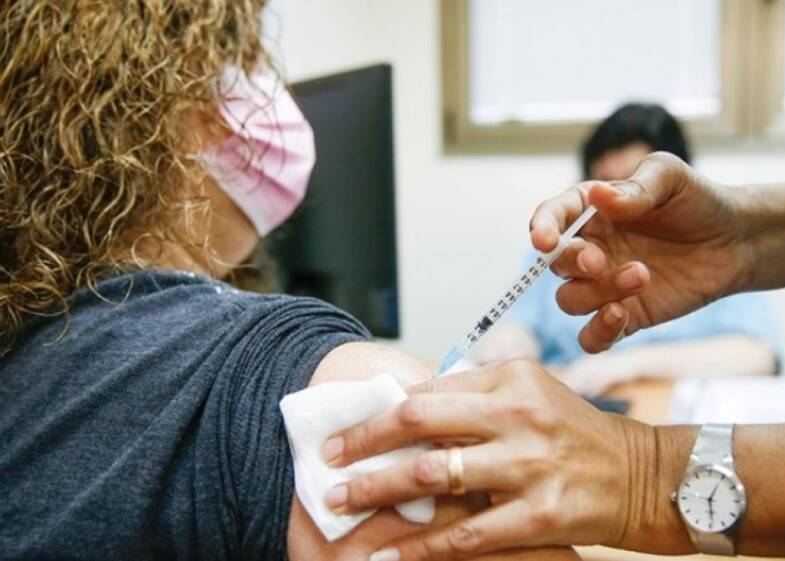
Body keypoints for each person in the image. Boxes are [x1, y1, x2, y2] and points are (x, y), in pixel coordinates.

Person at [318, 4, 785, 558]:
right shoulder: (572, 254)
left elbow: (755, 352)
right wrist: (743, 239)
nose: (618, 208)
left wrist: (642, 472)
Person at [0, 3, 580, 561]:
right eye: (242, 63)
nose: (267, 97)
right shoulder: (332, 390)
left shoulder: (32, 340)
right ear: (175, 106)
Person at [472, 104, 778, 396]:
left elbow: (756, 355)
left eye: (632, 186)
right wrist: (509, 343)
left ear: (681, 189)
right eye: (604, 186)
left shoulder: (711, 245)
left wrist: (632, 365)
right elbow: (521, 326)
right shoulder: (564, 250)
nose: (617, 207)